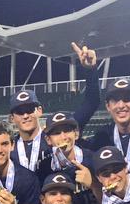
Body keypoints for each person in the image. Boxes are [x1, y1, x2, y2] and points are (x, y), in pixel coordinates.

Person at [9, 42, 100, 181]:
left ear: (39, 110)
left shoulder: (57, 132)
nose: (26, 115)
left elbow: (91, 102)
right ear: (12, 118)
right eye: (20, 112)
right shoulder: (9, 147)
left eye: (29, 110)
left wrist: (90, 70)